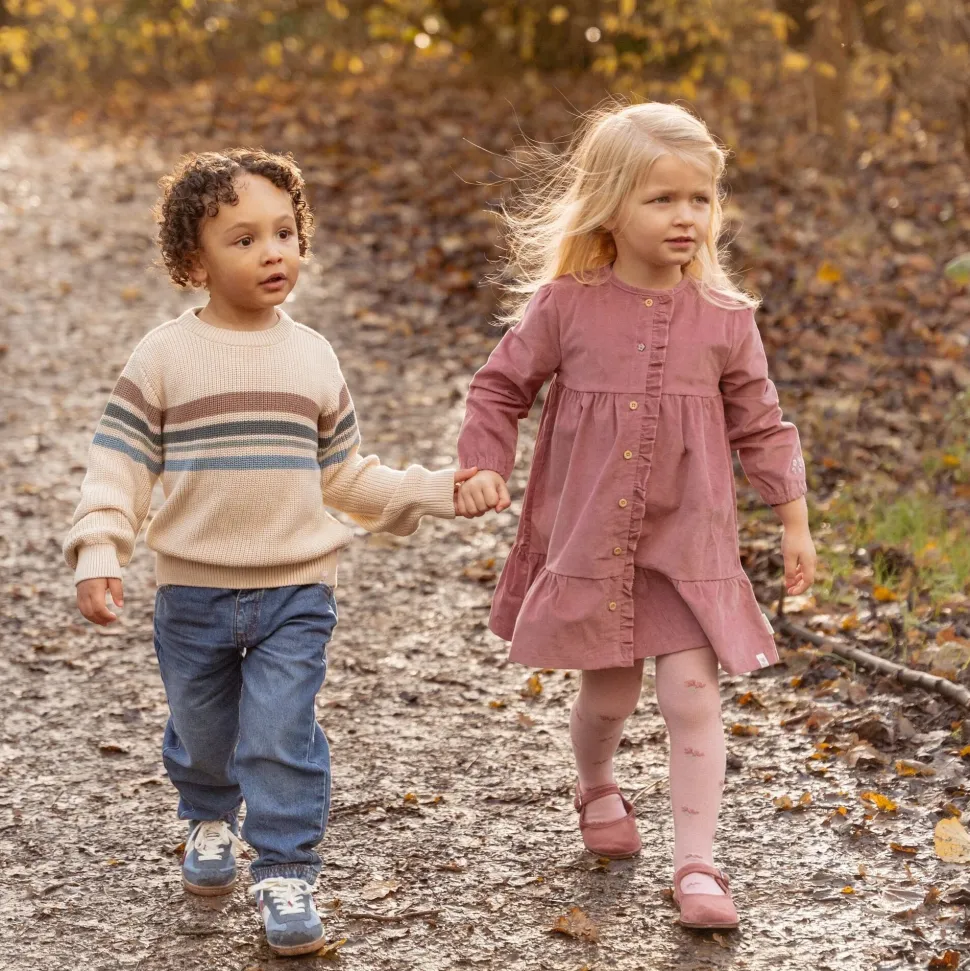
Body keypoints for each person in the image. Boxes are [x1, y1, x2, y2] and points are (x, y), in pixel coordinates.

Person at [64, 148, 475, 956]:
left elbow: (346, 473)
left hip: (296, 589)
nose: (273, 251)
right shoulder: (164, 358)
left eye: (284, 232)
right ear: (195, 260)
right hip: (192, 593)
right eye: (243, 239)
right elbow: (119, 463)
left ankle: (287, 871)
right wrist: (99, 546)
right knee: (205, 731)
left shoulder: (312, 356)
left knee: (281, 731)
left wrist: (432, 488)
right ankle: (208, 816)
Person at [455, 102, 816, 930]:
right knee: (610, 694)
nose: (686, 216)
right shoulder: (567, 305)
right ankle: (596, 783)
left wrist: (793, 518)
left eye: (700, 198)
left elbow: (762, 423)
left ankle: (698, 865)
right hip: (591, 537)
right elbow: (500, 386)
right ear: (609, 207)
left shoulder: (726, 319)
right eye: (662, 199)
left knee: (693, 693)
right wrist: (483, 460)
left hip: (687, 544)